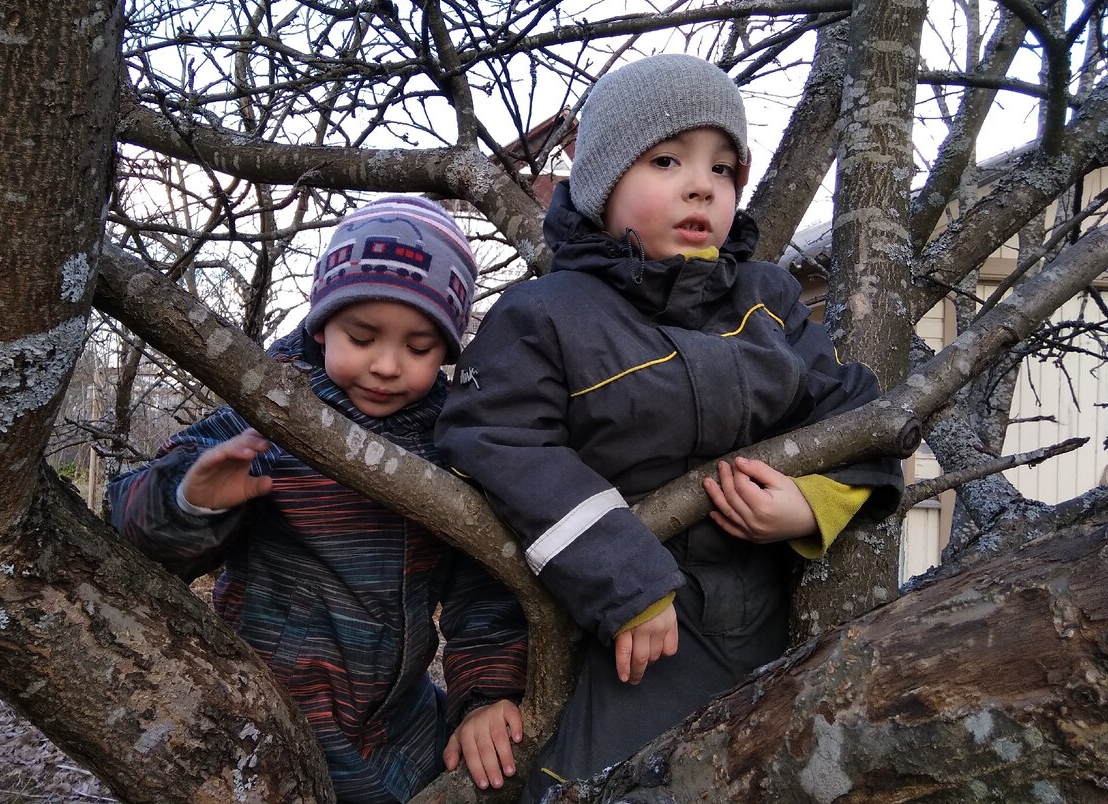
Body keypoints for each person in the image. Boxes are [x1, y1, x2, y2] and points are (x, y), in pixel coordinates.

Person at [434, 54, 904, 801]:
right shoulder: (546, 315)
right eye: (666, 160)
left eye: (723, 170)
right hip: (606, 643)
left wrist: (811, 504)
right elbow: (496, 453)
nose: (701, 185)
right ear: (601, 182)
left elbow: (865, 421)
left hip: (759, 631)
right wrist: (625, 575)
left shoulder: (768, 300)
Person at [110, 196, 528, 804]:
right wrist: (192, 498)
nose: (387, 365)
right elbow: (130, 525)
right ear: (321, 324)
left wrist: (487, 696)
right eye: (362, 337)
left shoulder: (450, 443)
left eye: (419, 348)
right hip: (257, 710)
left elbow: (483, 584)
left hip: (396, 726)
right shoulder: (271, 408)